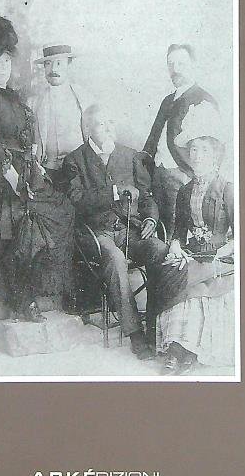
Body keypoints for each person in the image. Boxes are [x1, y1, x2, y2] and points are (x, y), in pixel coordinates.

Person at [0, 16, 75, 320]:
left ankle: (50, 290)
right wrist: (15, 181)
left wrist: (34, 163)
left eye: (6, 61)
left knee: (63, 210)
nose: (4, 67)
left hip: (25, 170)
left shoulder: (8, 93)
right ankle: (23, 297)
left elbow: (25, 133)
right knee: (31, 218)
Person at [63, 105, 168, 360]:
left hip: (130, 230)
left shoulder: (130, 155)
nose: (109, 128)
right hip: (96, 233)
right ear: (88, 129)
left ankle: (157, 324)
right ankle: (135, 334)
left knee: (160, 250)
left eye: (111, 122)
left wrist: (151, 219)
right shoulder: (75, 160)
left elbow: (147, 197)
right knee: (116, 259)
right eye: (102, 124)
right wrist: (112, 193)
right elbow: (75, 200)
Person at [155, 135, 235, 375]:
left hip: (222, 257)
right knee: (172, 272)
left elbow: (241, 232)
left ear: (215, 156)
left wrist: (224, 249)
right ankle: (176, 349)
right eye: (193, 150)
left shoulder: (227, 189)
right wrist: (175, 245)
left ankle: (186, 351)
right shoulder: (185, 190)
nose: (197, 156)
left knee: (191, 286)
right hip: (195, 253)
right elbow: (179, 231)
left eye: (204, 150)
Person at [143, 44, 219, 235]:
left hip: (182, 175)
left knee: (178, 230)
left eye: (181, 63)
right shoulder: (168, 100)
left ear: (193, 65)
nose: (175, 69)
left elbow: (211, 148)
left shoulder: (203, 100)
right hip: (158, 173)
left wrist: (192, 174)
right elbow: (154, 136)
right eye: (171, 64)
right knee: (159, 228)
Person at [30, 44, 93, 188]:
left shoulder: (83, 98)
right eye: (48, 63)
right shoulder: (34, 101)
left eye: (59, 63)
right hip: (47, 171)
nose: (53, 69)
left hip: (78, 172)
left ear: (69, 65)